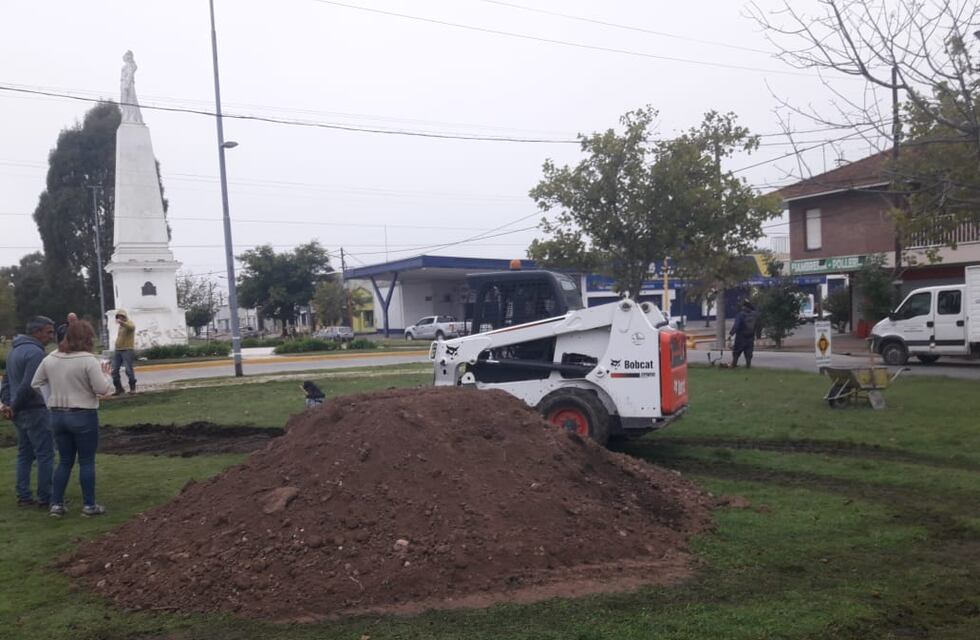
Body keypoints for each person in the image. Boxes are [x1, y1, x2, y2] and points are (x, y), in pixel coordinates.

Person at [31, 320, 112, 518]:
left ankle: (56, 505)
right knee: (86, 461)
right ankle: (89, 506)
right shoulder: (88, 360)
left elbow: (36, 382)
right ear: (86, 338)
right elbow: (102, 389)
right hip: (83, 414)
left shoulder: (51, 358)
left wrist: (52, 397)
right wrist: (107, 376)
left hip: (57, 415)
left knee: (64, 461)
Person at [0, 316, 55, 508]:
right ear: (37, 332)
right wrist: (12, 406)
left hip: (18, 412)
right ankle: (46, 497)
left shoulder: (13, 351)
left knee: (24, 454)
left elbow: (6, 382)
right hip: (34, 410)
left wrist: (8, 405)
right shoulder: (35, 353)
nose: (51, 336)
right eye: (48, 332)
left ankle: (23, 496)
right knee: (45, 454)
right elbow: (29, 385)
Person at [111, 309, 137, 395]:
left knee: (128, 370)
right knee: (114, 370)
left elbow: (132, 328)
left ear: (125, 316)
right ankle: (119, 389)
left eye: (121, 316)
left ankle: (132, 388)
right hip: (118, 350)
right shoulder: (120, 326)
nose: (119, 318)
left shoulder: (129, 323)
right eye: (118, 316)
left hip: (127, 350)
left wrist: (123, 323)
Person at [729, 300, 759, 368]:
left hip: (741, 336)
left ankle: (734, 364)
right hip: (750, 336)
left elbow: (736, 326)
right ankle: (748, 366)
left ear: (744, 307)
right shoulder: (754, 315)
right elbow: (757, 325)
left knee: (736, 351)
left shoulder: (740, 315)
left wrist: (731, 334)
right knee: (749, 352)